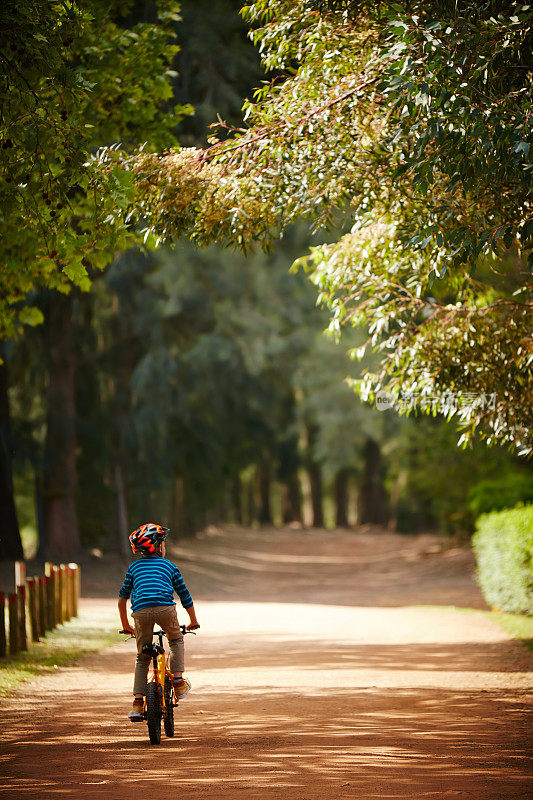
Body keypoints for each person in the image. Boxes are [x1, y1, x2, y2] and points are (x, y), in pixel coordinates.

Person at [118, 522, 199, 721]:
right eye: (163, 543)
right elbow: (184, 596)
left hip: (141, 613)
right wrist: (193, 620)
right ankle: (178, 681)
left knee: (142, 657)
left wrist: (126, 626)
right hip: (165, 610)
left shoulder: (134, 568)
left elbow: (122, 600)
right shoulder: (169, 566)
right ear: (158, 546)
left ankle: (137, 703)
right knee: (176, 639)